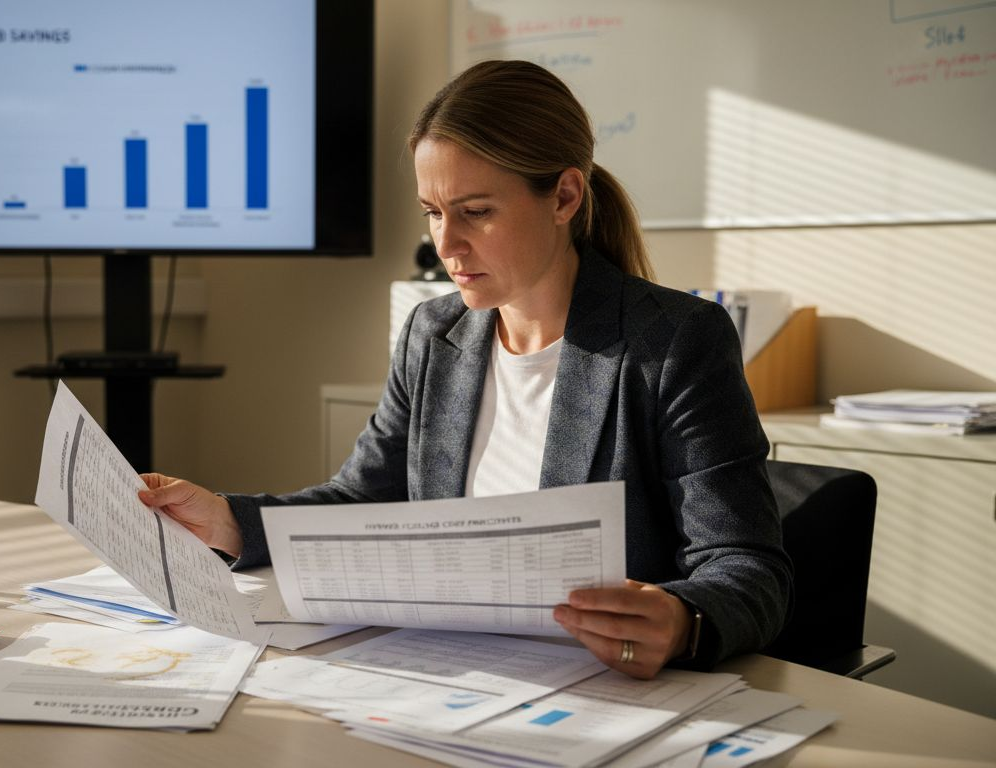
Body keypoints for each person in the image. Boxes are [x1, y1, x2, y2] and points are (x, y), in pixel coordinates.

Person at [138, 59, 792, 679]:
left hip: (596, 686)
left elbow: (746, 567)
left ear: (564, 196)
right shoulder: (433, 333)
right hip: (446, 675)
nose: (446, 245)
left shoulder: (674, 343)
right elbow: (363, 501)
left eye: (476, 212)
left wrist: (682, 621)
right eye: (433, 212)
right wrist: (227, 521)